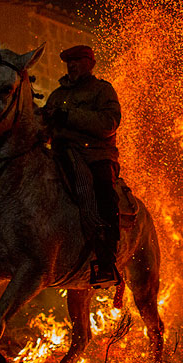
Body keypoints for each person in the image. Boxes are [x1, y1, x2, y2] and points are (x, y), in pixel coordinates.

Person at [41, 44, 122, 287]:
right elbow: (44, 130)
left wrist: (69, 115)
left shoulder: (102, 91)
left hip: (94, 155)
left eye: (77, 61)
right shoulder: (56, 95)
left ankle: (106, 256)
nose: (72, 65)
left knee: (104, 193)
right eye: (69, 62)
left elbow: (109, 123)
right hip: (60, 153)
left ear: (90, 63)